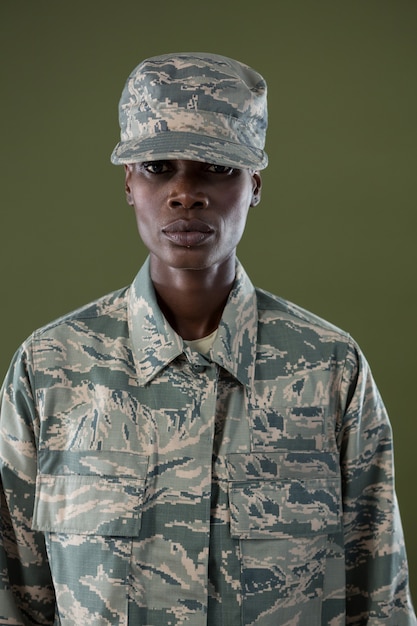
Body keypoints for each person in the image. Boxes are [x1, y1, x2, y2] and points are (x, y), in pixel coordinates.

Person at [0, 52, 415, 626]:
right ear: (128, 182)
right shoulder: (49, 370)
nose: (185, 193)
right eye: (157, 167)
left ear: (255, 185)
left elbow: (381, 601)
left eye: (216, 168)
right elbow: (14, 600)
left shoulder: (329, 368)